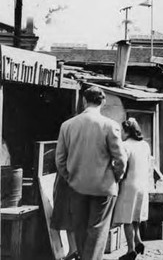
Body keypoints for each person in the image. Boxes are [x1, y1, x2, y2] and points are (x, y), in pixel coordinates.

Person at [56, 86, 127, 260]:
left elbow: (59, 159)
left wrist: (70, 176)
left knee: (79, 228)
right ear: (103, 101)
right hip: (104, 187)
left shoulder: (67, 125)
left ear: (84, 100)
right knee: (98, 230)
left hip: (76, 185)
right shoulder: (110, 126)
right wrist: (116, 177)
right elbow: (120, 159)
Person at [113, 118, 151, 260]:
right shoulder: (145, 145)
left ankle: (130, 250)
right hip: (142, 184)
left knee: (126, 218)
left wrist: (117, 178)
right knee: (136, 216)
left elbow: (122, 165)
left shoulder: (125, 146)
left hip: (129, 184)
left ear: (127, 131)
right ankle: (138, 241)